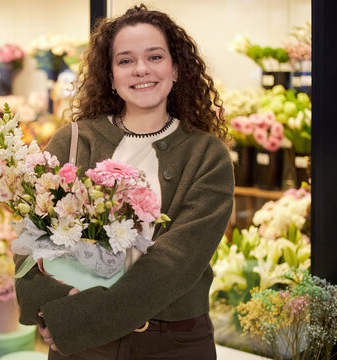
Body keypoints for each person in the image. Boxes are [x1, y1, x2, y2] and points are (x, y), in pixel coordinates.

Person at [14, 4, 234, 359]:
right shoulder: (73, 141)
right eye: (125, 60)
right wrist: (52, 308)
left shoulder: (207, 156)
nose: (141, 69)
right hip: (84, 347)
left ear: (176, 68)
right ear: (111, 75)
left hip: (173, 343)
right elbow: (29, 239)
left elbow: (176, 264)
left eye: (155, 56)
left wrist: (79, 318)